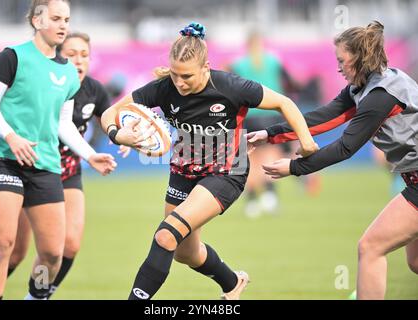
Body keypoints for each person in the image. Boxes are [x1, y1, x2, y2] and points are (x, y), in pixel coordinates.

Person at [101, 22, 318, 300]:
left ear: (205, 68)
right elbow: (111, 112)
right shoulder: (164, 88)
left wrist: (307, 142)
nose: (179, 82)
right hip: (183, 171)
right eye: (175, 74)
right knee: (185, 253)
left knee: (165, 235)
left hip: (226, 172)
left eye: (187, 76)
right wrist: (119, 135)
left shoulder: (230, 86)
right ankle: (232, 283)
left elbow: (284, 102)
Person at [247, 21, 418, 300]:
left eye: (342, 61)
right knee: (414, 263)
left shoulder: (381, 95)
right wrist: (269, 134)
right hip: (413, 181)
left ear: (360, 59)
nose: (338, 68)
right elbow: (321, 118)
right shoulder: (364, 87)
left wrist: (293, 167)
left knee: (370, 248)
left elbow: (345, 147)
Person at [0, 0, 116, 300]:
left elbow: (63, 124)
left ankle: (35, 297)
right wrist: (12, 137)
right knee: (2, 245)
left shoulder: (67, 73)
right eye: (56, 18)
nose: (63, 24)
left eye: (66, 19)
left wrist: (88, 154)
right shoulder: (11, 57)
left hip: (45, 167)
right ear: (37, 21)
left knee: (53, 254)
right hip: (5, 160)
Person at [6, 32, 130, 298]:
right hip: (32, 171)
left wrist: (122, 136)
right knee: (15, 250)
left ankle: (37, 295)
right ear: (56, 57)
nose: (78, 61)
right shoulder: (43, 86)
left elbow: (109, 119)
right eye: (70, 54)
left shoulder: (94, 89)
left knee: (69, 246)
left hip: (68, 172)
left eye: (84, 55)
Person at [229, 31, 301, 217]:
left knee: (250, 160)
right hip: (272, 115)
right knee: (271, 155)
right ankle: (270, 195)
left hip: (248, 117)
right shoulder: (273, 61)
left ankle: (252, 200)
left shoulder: (238, 64)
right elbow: (291, 84)